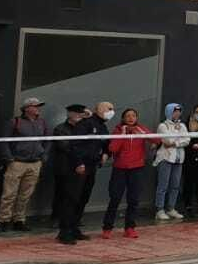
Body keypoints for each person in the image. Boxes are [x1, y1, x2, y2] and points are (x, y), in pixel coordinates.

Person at [46, 104, 98, 244]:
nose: (81, 116)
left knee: (81, 198)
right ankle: (64, 231)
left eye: (82, 113)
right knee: (69, 199)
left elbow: (94, 139)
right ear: (70, 114)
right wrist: (80, 158)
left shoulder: (85, 127)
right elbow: (67, 147)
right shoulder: (61, 129)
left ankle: (74, 228)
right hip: (68, 169)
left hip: (86, 168)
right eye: (78, 113)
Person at [101, 108, 156, 237]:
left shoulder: (141, 129)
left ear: (137, 118)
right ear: (123, 118)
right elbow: (112, 148)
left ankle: (130, 227)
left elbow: (157, 140)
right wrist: (123, 135)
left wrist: (142, 133)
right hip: (120, 169)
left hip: (136, 169)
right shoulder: (118, 130)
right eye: (128, 116)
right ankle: (107, 228)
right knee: (115, 198)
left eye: (133, 116)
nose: (131, 118)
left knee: (133, 199)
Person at [0, 97, 49, 232]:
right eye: (35, 106)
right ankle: (3, 220)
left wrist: (43, 155)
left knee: (26, 194)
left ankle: (19, 220)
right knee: (9, 193)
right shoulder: (15, 122)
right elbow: (4, 141)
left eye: (39, 106)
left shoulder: (42, 123)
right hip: (17, 162)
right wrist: (9, 158)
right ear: (27, 108)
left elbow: (47, 140)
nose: (38, 108)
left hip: (34, 163)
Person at [72, 101, 116, 232]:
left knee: (84, 197)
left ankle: (75, 227)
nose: (112, 111)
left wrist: (106, 154)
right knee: (74, 197)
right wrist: (78, 163)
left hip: (92, 166)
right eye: (109, 109)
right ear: (100, 109)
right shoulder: (86, 123)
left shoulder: (102, 126)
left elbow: (107, 143)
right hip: (81, 165)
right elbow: (75, 144)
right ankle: (66, 230)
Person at [153, 103, 190, 220]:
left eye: (179, 111)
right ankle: (159, 209)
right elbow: (167, 140)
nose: (177, 113)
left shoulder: (182, 125)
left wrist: (175, 142)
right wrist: (178, 139)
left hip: (179, 159)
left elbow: (187, 140)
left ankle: (171, 208)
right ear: (169, 112)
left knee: (175, 185)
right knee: (163, 185)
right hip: (165, 158)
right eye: (175, 111)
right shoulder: (163, 126)